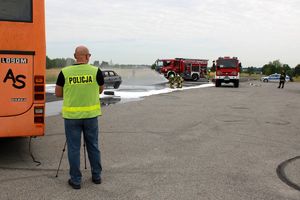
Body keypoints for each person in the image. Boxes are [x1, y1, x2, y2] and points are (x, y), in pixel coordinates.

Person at [55, 45, 104, 189]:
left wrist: (72, 93)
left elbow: (58, 93)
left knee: (74, 148)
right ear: (87, 56)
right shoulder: (96, 71)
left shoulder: (65, 72)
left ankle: (76, 180)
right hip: (91, 117)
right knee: (93, 146)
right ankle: (96, 176)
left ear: (75, 56)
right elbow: (100, 90)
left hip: (72, 118)